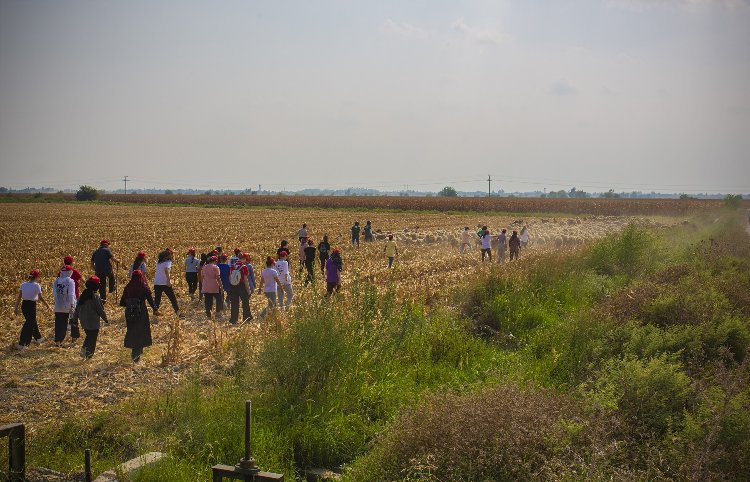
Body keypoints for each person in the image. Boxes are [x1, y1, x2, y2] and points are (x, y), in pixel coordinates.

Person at [119, 270, 155, 363]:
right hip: (141, 312)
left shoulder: (128, 287)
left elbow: (122, 302)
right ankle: (137, 355)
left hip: (130, 313)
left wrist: (130, 302)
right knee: (141, 332)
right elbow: (150, 300)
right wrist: (155, 309)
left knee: (132, 331)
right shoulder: (143, 287)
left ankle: (135, 354)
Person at [14, 269, 51, 350]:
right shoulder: (36, 285)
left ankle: (38, 338)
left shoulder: (23, 284)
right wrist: (47, 305)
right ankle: (22, 343)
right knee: (28, 324)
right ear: (37, 277)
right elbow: (40, 298)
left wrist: (16, 307)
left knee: (32, 321)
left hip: (24, 305)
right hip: (31, 306)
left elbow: (19, 297)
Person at [76, 276, 108, 359]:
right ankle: (88, 354)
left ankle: (85, 351)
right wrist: (106, 319)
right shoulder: (95, 297)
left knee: (89, 335)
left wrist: (74, 319)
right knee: (92, 338)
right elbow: (100, 310)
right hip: (93, 322)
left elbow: (77, 308)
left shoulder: (82, 295)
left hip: (84, 321)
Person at [53, 265, 78, 345]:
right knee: (69, 322)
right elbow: (71, 294)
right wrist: (72, 305)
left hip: (58, 306)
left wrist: (57, 303)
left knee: (58, 324)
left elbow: (55, 294)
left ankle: (58, 341)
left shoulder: (56, 281)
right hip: (67, 305)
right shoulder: (70, 281)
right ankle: (73, 338)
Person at [153, 248, 181, 317]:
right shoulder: (168, 262)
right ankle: (178, 312)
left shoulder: (158, 261)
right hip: (164, 282)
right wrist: (168, 281)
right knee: (172, 298)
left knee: (157, 299)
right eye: (172, 254)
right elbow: (166, 270)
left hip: (157, 282)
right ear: (169, 255)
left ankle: (155, 312)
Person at [228, 253, 254, 324]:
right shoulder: (244, 267)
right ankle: (246, 318)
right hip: (242, 286)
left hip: (233, 286)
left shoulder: (232, 266)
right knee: (245, 302)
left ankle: (233, 319)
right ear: (243, 259)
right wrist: (248, 290)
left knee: (234, 303)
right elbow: (245, 280)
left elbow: (230, 277)